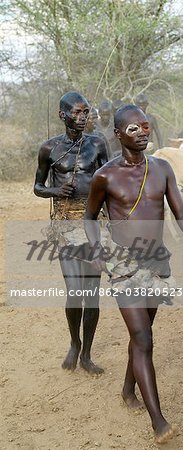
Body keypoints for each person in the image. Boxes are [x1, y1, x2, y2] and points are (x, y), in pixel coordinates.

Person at [84, 104, 183, 443]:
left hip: (157, 261)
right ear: (118, 135)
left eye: (145, 126)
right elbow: (89, 218)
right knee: (143, 338)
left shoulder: (162, 169)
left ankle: (129, 389)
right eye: (134, 128)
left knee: (142, 332)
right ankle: (159, 422)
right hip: (122, 264)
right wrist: (97, 248)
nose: (143, 132)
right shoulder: (106, 176)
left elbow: (181, 212)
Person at [34, 91, 108, 375]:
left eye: (85, 112)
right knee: (74, 290)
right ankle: (74, 343)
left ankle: (87, 354)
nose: (82, 117)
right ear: (62, 115)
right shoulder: (48, 148)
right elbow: (38, 187)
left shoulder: (98, 144)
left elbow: (109, 181)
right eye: (77, 112)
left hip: (93, 225)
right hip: (65, 226)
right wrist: (54, 190)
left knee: (92, 294)